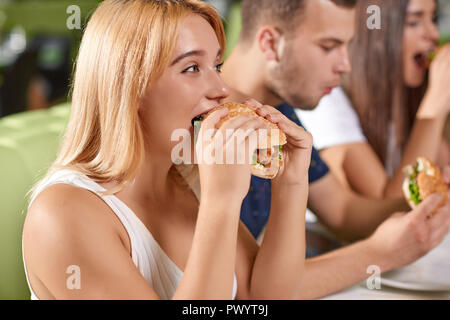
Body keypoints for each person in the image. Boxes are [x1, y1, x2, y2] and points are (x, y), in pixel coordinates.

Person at [22, 0, 312, 300]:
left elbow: (260, 297)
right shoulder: (62, 214)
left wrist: (291, 183)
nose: (222, 89)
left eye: (217, 66)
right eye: (191, 68)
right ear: (129, 88)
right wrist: (221, 202)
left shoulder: (188, 177)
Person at [221, 0, 450, 299]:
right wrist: (379, 254)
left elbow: (342, 212)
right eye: (329, 47)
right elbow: (246, 288)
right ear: (270, 43)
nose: (346, 65)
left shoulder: (281, 111)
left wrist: (424, 197)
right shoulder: (204, 125)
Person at [297, 0, 450, 199]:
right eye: (414, 22)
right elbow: (386, 205)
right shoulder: (326, 99)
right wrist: (434, 109)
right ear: (377, 35)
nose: (434, 35)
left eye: (433, 19)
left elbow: (441, 175)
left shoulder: (411, 95)